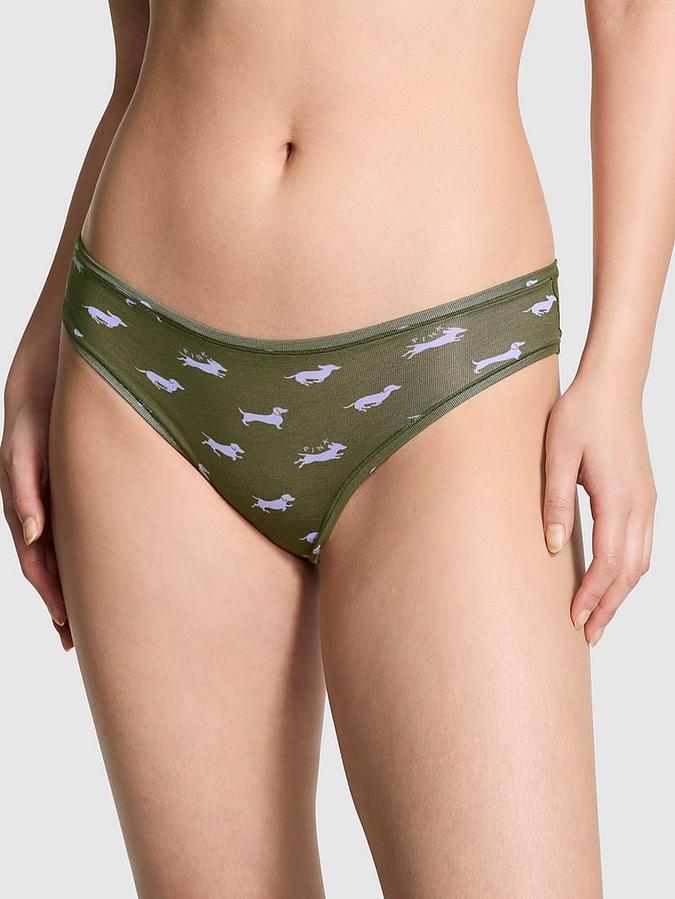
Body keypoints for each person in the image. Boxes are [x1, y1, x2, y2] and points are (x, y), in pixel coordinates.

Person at [2, 2, 673, 896]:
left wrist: (618, 369)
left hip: (447, 374)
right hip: (143, 367)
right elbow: (144, 46)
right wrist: (48, 325)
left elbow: (635, 15)